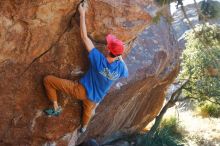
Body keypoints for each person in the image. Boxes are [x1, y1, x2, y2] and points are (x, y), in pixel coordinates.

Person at [43, 1, 128, 133]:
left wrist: (82, 14)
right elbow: (124, 68)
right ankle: (83, 127)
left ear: (107, 49)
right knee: (87, 112)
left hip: (81, 90)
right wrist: (120, 57)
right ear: (118, 56)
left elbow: (84, 37)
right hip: (95, 98)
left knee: (48, 80)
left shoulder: (98, 60)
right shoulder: (121, 68)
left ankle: (55, 107)